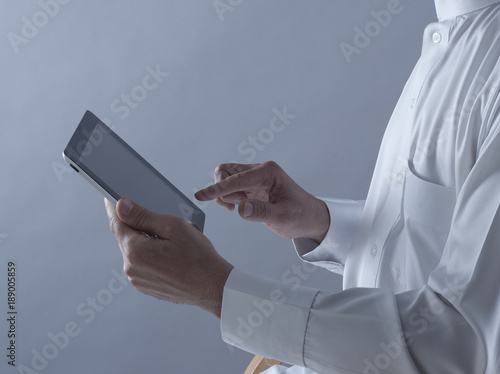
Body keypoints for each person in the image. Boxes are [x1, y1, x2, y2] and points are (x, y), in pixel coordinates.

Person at [105, 0, 500, 372]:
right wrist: (320, 221)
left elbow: (459, 340)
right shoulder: (456, 36)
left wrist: (215, 288)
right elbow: (449, 239)